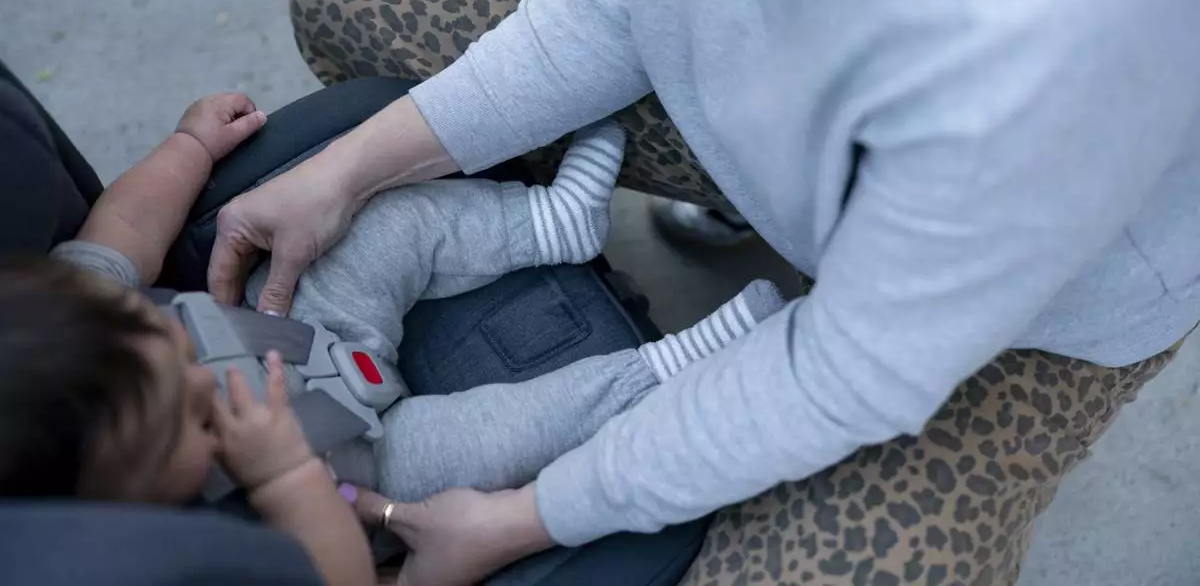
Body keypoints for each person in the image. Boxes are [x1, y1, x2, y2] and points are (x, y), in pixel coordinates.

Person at [211, 0, 1200, 583]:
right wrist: (344, 173)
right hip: (808, 115)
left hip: (1034, 309)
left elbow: (842, 370)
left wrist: (522, 514)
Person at [0, 93, 786, 584]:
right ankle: (675, 367)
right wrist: (280, 478)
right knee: (516, 431)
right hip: (370, 472)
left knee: (385, 231)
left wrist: (190, 147)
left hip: (304, 325)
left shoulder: (85, 310)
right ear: (106, 508)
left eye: (166, 342)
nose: (207, 383)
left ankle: (547, 221)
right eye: (188, 422)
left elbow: (129, 222)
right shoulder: (159, 551)